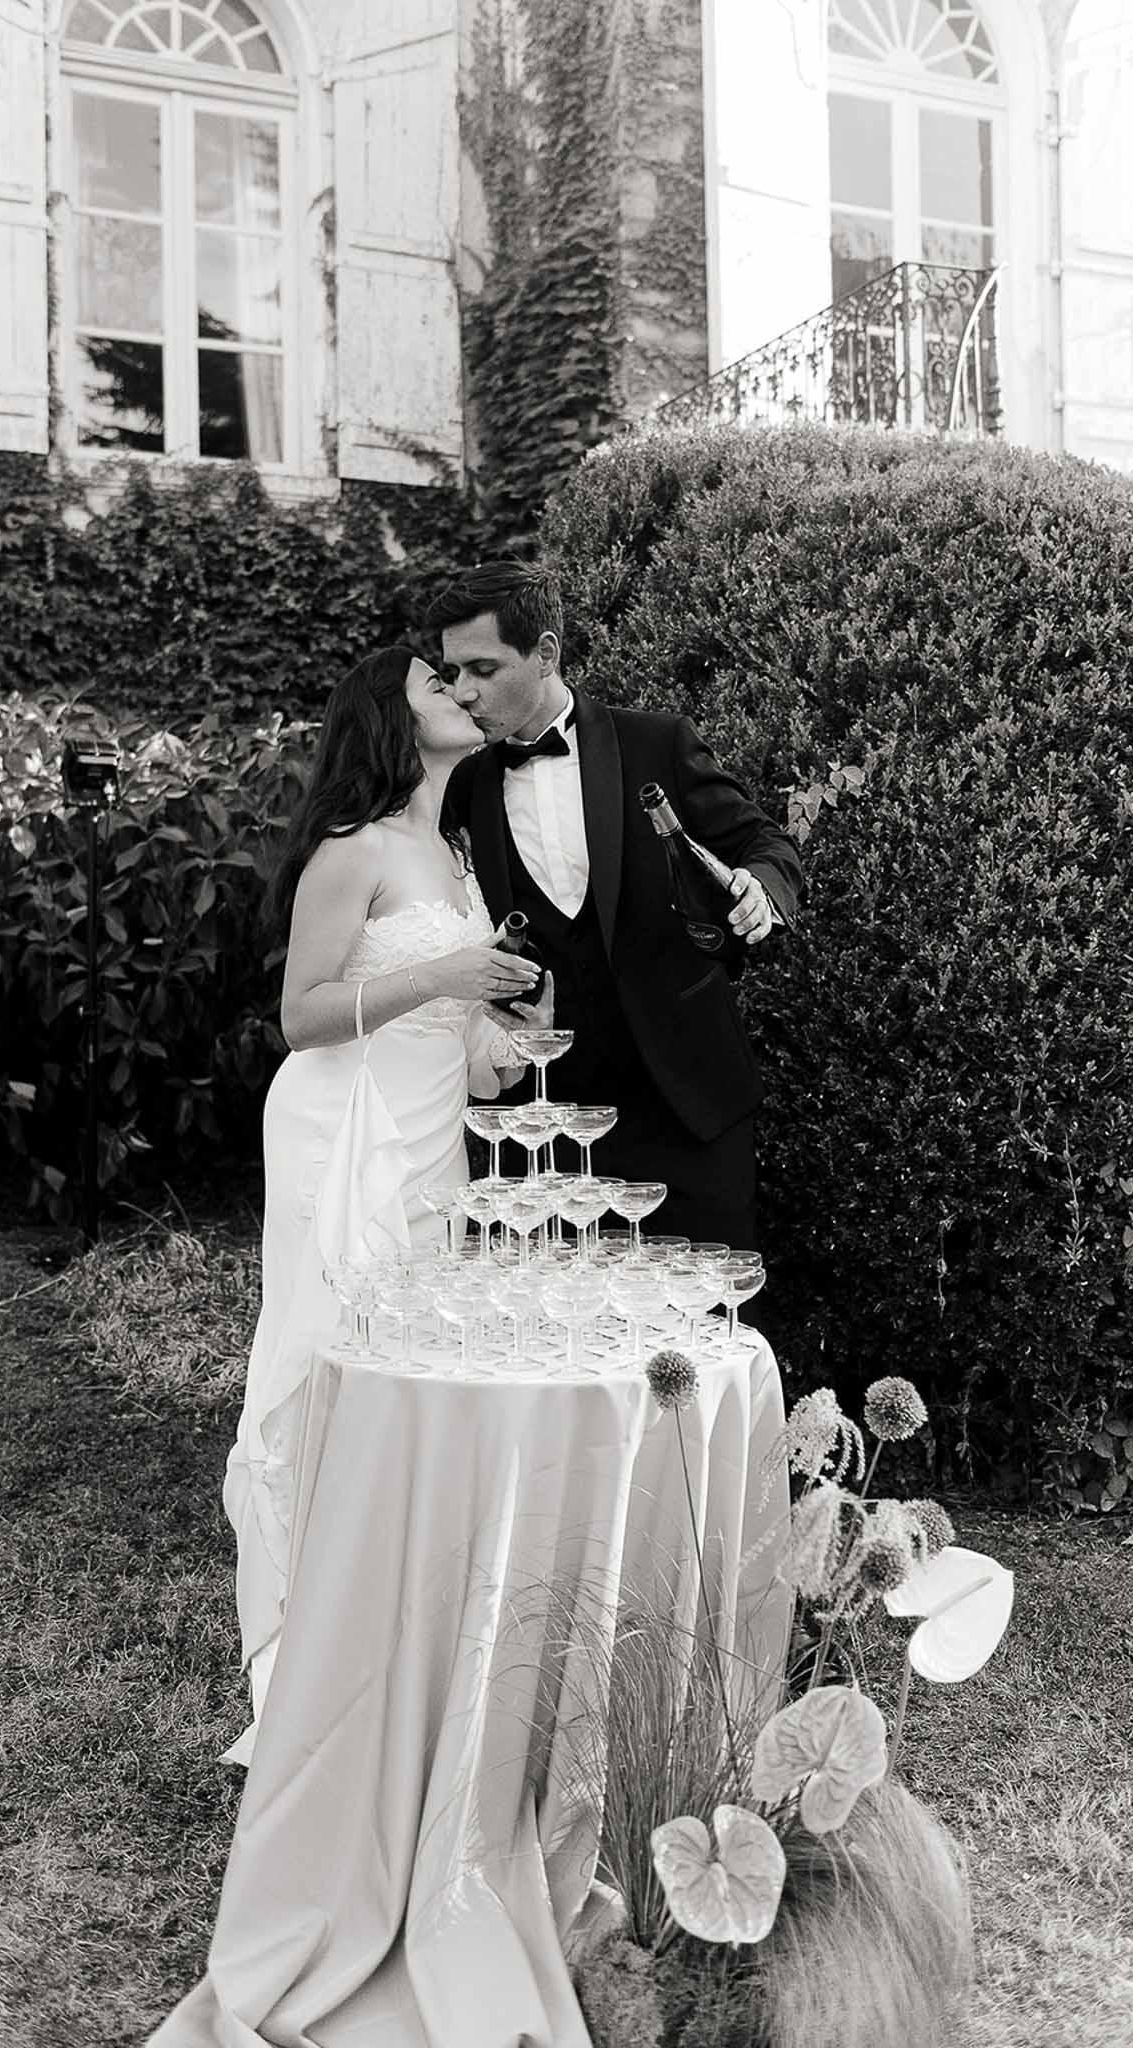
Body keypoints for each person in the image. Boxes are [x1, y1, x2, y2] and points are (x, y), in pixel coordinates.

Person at [221, 643, 547, 1765]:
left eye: (462, 681)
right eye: (433, 685)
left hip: (429, 1142)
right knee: (326, 1365)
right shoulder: (351, 849)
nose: (461, 692)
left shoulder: (452, 854)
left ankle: (390, 1641)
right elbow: (303, 1014)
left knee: (409, 1374)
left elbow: (443, 1031)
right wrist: (450, 980)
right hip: (340, 1131)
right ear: (385, 717)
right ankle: (301, 1664)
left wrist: (499, 1044)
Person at [430, 560, 803, 1252]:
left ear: (545, 653)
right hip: (545, 1120)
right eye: (452, 674)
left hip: (686, 1100)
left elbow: (762, 840)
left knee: (705, 1323)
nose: (462, 692)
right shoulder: (463, 786)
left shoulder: (654, 742)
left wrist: (761, 886)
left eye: (482, 668)